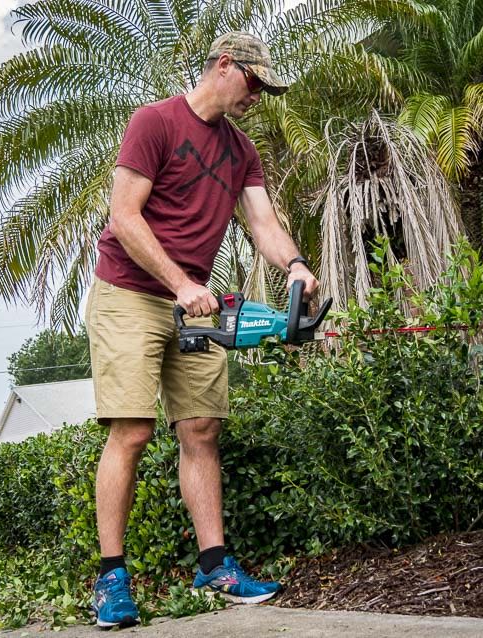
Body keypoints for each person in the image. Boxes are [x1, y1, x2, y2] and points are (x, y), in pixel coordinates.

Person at [86, 31, 319, 629]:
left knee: (202, 427)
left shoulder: (241, 151)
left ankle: (214, 565)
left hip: (194, 302)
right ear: (224, 67)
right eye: (255, 83)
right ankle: (112, 577)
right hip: (129, 293)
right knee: (132, 431)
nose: (259, 96)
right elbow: (124, 216)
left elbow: (263, 221)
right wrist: (181, 282)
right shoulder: (155, 123)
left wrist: (293, 264)